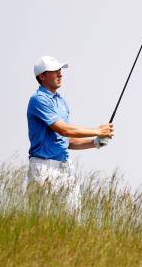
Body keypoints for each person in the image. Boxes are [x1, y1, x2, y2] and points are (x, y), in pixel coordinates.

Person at [26, 55, 114, 213]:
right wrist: (98, 130)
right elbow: (64, 129)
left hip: (65, 168)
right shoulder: (38, 100)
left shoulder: (61, 102)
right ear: (42, 76)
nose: (60, 74)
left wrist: (95, 141)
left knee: (72, 220)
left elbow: (66, 140)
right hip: (43, 167)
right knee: (42, 222)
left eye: (60, 70)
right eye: (54, 71)